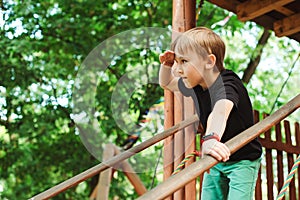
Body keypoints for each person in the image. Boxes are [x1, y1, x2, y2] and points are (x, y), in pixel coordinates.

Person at [158, 27, 262, 200]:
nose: (178, 69)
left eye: (184, 61)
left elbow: (220, 111)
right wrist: (166, 65)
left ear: (209, 61)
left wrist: (211, 138)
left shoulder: (228, 83)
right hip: (215, 158)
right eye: (177, 62)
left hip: (243, 160)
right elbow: (167, 82)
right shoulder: (197, 85)